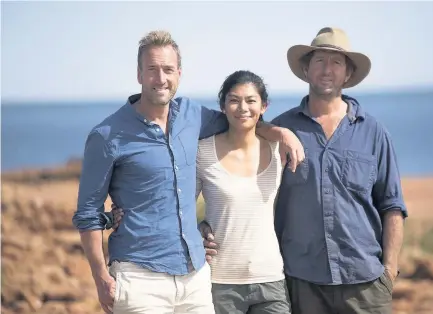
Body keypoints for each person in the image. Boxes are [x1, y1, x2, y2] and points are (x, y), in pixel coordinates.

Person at [71, 30, 304, 314]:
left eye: (168, 69)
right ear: (139, 74)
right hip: (139, 277)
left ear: (179, 73)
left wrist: (281, 132)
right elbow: (87, 213)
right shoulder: (107, 135)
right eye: (152, 70)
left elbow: (241, 119)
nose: (161, 78)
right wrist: (100, 277)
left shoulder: (192, 115)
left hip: (195, 277)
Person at [203, 27, 408, 314]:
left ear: (348, 74)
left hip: (365, 284)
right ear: (306, 69)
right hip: (302, 284)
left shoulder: (373, 133)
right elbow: (243, 166)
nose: (327, 69)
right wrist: (204, 227)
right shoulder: (280, 133)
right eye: (320, 61)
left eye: (337, 62)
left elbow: (392, 206)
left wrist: (390, 269)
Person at [111, 70, 292, 314]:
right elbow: (177, 203)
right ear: (223, 106)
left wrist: (284, 132)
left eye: (251, 100)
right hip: (220, 282)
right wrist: (129, 210)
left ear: (264, 106)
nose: (243, 108)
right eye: (234, 100)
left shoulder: (281, 149)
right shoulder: (202, 151)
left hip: (270, 278)